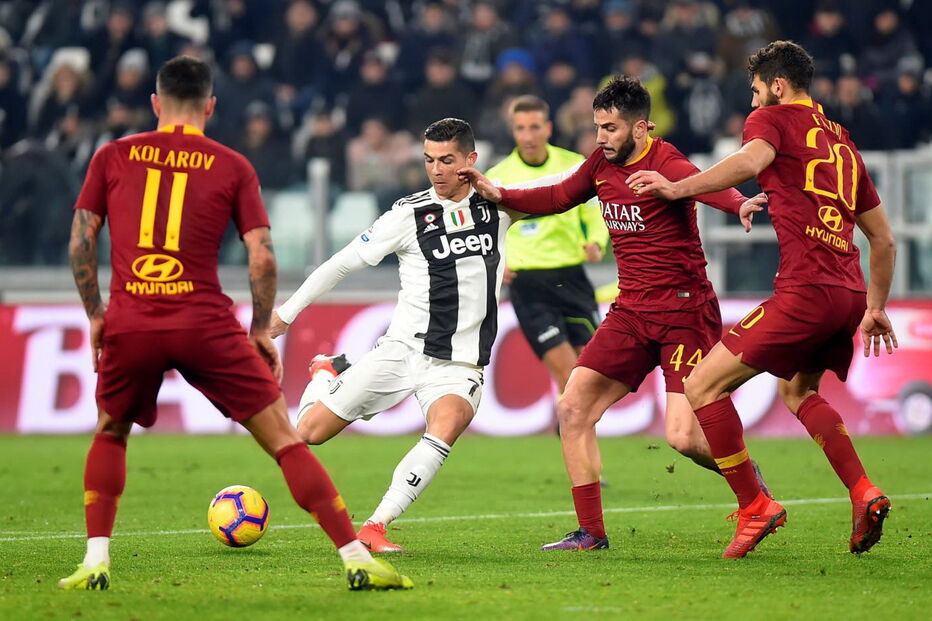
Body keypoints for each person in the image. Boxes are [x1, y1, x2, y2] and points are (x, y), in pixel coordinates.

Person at [58, 56, 412, 591]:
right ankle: (354, 556)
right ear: (211, 106)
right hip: (204, 323)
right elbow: (262, 257)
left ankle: (94, 561)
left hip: (133, 317)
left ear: (156, 104)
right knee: (284, 441)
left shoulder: (112, 155)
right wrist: (258, 329)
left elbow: (81, 242)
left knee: (110, 433)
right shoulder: (230, 164)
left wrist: (95, 315)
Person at [458, 76, 768, 551]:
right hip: (630, 311)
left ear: (641, 127)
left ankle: (752, 490)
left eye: (610, 128)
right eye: (597, 127)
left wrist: (739, 203)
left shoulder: (667, 161)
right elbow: (558, 196)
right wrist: (500, 195)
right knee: (573, 407)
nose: (599, 137)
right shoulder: (601, 163)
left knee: (683, 438)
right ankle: (591, 533)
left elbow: (707, 186)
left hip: (683, 311)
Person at [627, 40, 897, 558]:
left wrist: (678, 189)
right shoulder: (842, 141)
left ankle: (755, 506)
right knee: (798, 394)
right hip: (848, 293)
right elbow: (883, 239)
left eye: (755, 91)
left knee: (702, 386)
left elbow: (751, 159)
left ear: (777, 85)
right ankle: (864, 492)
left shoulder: (773, 121)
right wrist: (876, 307)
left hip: (806, 291)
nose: (752, 104)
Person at [269, 118, 522, 553]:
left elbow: (562, 192)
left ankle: (375, 526)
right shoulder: (409, 214)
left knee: (448, 423)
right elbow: (342, 262)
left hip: (458, 362)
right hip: (402, 349)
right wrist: (287, 313)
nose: (437, 170)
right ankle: (326, 373)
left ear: (471, 160)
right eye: (429, 160)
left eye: (447, 160)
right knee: (309, 432)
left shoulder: (497, 204)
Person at [485, 95, 607, 395]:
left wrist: (595, 241)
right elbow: (484, 233)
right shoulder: (497, 178)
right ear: (513, 131)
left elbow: (595, 212)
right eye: (521, 128)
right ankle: (570, 431)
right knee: (569, 376)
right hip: (529, 284)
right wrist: (495, 263)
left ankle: (566, 426)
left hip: (572, 277)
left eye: (534, 127)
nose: (528, 136)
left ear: (548, 128)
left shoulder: (574, 166)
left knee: (590, 376)